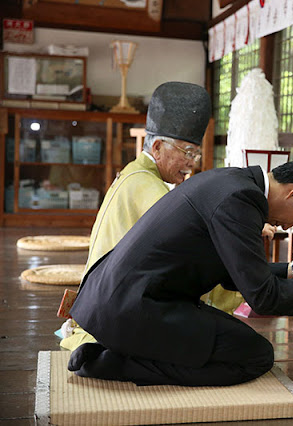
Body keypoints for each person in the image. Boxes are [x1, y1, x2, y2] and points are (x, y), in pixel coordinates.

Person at [67, 160, 293, 387]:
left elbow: (235, 271)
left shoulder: (234, 182)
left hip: (121, 297)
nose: (290, 227)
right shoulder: (241, 200)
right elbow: (262, 298)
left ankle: (119, 351)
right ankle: (114, 364)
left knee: (236, 341)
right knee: (256, 356)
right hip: (134, 306)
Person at [59, 82, 240, 352]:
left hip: (100, 302)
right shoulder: (146, 185)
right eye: (187, 153)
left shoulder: (136, 174)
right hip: (111, 313)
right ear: (157, 147)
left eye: (196, 153)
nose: (193, 162)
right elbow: (191, 238)